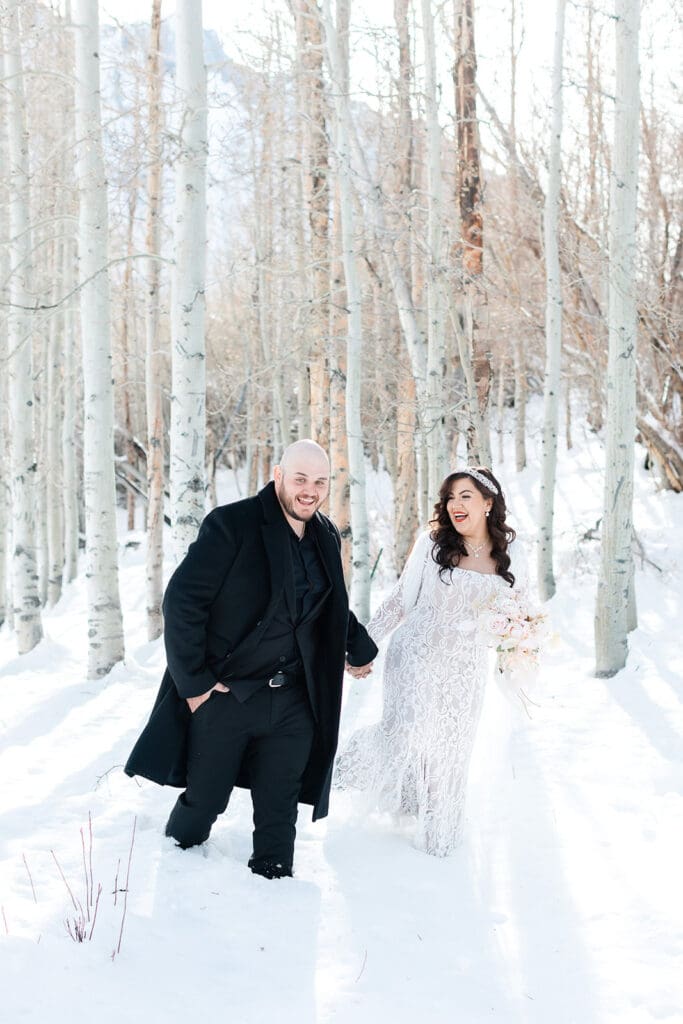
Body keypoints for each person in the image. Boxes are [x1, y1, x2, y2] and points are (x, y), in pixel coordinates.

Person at [125, 440, 377, 879]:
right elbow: (181, 604)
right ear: (278, 475)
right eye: (300, 479)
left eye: (319, 482)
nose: (309, 491)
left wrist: (357, 646)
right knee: (205, 800)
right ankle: (175, 873)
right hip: (229, 696)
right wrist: (197, 685)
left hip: (295, 701)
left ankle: (276, 898)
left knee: (280, 809)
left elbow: (326, 603)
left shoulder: (324, 534)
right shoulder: (233, 524)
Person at [335, 466, 525, 857]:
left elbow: (520, 614)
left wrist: (519, 649)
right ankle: (352, 765)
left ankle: (440, 834)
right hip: (416, 658)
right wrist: (362, 647)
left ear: (488, 503)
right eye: (451, 497)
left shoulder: (511, 554)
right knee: (403, 737)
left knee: (452, 748)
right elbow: (399, 602)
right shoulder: (433, 543)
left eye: (466, 496)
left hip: (466, 669)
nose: (456, 504)